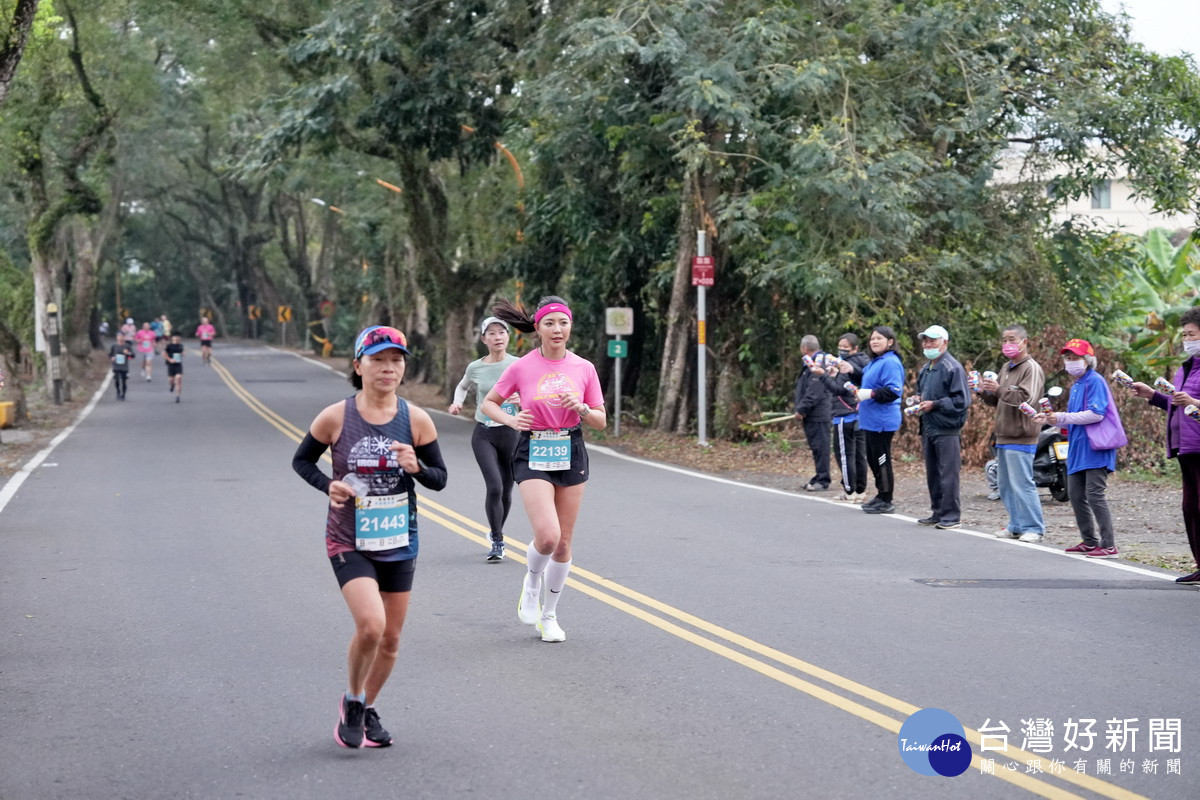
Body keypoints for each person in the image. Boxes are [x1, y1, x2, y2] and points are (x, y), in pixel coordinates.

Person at [290, 325, 447, 748]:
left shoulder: (416, 419)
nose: (388, 368)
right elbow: (302, 461)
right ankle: (356, 698)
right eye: (377, 360)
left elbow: (440, 479)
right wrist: (328, 485)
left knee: (392, 640)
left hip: (399, 538)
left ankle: (361, 706)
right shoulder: (336, 416)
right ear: (358, 366)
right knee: (372, 626)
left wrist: (416, 468)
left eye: (396, 360)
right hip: (348, 538)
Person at [480, 296, 606, 643]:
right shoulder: (522, 367)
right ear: (537, 329)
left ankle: (549, 616)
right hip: (533, 448)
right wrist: (510, 419)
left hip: (571, 448)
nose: (557, 329)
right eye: (549, 323)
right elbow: (489, 403)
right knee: (547, 536)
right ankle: (532, 580)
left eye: (563, 323)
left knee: (563, 544)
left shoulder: (584, 368)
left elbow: (600, 421)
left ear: (570, 327)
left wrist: (580, 407)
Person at [1130, 306, 1200, 583]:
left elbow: (1191, 404)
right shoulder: (1186, 368)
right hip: (1185, 448)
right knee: (1191, 508)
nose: (1186, 339)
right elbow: (1177, 404)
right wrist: (1152, 395)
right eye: (1184, 334)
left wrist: (1195, 402)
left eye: (1191, 334)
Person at [448, 316, 521, 562]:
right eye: (491, 333)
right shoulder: (475, 367)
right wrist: (458, 403)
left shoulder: (519, 365)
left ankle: (495, 530)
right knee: (495, 486)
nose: (497, 336)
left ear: (508, 337)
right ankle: (498, 541)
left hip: (511, 432)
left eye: (502, 332)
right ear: (483, 339)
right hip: (484, 433)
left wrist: (521, 401)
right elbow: (462, 387)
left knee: (507, 491)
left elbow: (534, 393)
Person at [1041, 339, 1122, 558]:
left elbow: (1096, 414)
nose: (1071, 362)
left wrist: (1062, 416)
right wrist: (1051, 419)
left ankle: (1108, 545)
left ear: (1087, 359)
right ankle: (1089, 541)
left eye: (1075, 357)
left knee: (1095, 494)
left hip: (1096, 447)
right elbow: (1073, 420)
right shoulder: (1077, 385)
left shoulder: (1095, 381)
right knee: (1076, 495)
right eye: (1067, 358)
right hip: (1077, 448)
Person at [980, 324, 1046, 542]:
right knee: (1006, 485)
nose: (1007, 344)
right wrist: (984, 391)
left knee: (1022, 483)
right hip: (1003, 435)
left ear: (1024, 342)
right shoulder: (1007, 368)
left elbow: (1025, 399)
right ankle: (1016, 524)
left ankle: (1034, 527)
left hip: (1022, 434)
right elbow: (997, 399)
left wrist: (998, 389)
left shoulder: (1031, 368)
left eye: (1012, 339)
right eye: (1004, 340)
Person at [914, 325, 970, 529]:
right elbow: (922, 392)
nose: (928, 344)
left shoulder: (952, 367)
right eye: (926, 341)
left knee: (948, 474)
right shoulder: (926, 368)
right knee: (933, 473)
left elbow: (961, 401)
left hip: (947, 428)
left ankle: (952, 516)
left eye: (933, 340)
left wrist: (935, 404)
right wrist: (918, 399)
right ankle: (937, 511)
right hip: (929, 426)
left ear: (944, 342)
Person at [855, 326, 905, 514]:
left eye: (879, 338)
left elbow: (893, 391)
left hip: (883, 421)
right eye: (872, 338)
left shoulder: (890, 362)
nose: (874, 341)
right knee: (873, 459)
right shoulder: (875, 362)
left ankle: (886, 498)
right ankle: (880, 494)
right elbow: (865, 379)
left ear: (890, 342)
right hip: (870, 420)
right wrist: (850, 370)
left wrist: (871, 393)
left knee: (882, 459)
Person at [821, 333, 870, 502]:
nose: (841, 350)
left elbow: (839, 390)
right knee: (859, 454)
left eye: (845, 348)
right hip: (860, 415)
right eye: (839, 347)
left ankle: (849, 491)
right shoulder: (864, 363)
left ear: (855, 348)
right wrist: (835, 374)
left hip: (844, 415)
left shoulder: (848, 364)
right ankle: (861, 490)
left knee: (845, 454)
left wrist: (823, 375)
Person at [793, 334, 832, 491]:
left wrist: (802, 409)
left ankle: (823, 479)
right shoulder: (813, 362)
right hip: (813, 413)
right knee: (816, 447)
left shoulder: (818, 362)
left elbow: (814, 390)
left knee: (821, 447)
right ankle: (819, 475)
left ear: (804, 348)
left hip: (819, 413)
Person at [108, 332, 134, 400]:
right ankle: (118, 392)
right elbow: (110, 354)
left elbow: (133, 355)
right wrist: (112, 358)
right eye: (119, 336)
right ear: (117, 337)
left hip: (124, 366)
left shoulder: (127, 346)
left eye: (121, 336)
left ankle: (123, 394)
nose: (120, 338)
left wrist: (128, 353)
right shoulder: (114, 346)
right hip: (116, 366)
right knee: (116, 380)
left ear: (124, 337)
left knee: (123, 381)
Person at [164, 332, 184, 403]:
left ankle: (177, 396)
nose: (176, 338)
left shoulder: (180, 346)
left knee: (178, 379)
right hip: (171, 364)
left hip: (178, 364)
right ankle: (172, 385)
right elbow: (164, 354)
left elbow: (182, 353)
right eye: (174, 337)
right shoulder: (169, 346)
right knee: (171, 380)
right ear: (172, 338)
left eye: (177, 337)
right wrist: (170, 359)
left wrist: (183, 354)